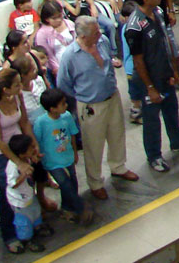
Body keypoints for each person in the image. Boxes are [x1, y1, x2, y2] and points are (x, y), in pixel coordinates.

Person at [55, 16, 137, 201]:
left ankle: (118, 166)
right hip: (90, 105)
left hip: (112, 97)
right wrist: (83, 96)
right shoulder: (70, 56)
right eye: (95, 32)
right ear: (83, 36)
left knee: (117, 134)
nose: (100, 34)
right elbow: (63, 83)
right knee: (93, 145)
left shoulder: (103, 42)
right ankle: (95, 183)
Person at [125, 0, 179, 173]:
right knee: (151, 120)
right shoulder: (134, 27)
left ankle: (178, 141)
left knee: (171, 109)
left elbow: (166, 43)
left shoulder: (157, 13)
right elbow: (138, 60)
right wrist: (150, 87)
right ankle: (154, 156)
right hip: (149, 80)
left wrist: (174, 70)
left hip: (165, 74)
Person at [0, 68, 39, 254]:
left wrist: (32, 146)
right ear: (5, 89)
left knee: (27, 186)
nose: (20, 87)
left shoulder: (17, 97)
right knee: (9, 195)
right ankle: (9, 235)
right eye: (16, 85)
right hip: (2, 155)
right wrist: (18, 162)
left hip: (19, 147)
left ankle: (29, 224)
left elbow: (24, 122)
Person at [32, 89, 91, 225]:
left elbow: (72, 135)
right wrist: (39, 157)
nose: (66, 105)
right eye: (63, 104)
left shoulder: (67, 117)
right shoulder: (41, 123)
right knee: (65, 183)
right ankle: (80, 207)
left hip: (67, 157)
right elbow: (37, 141)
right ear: (52, 109)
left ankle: (67, 209)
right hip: (52, 161)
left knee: (72, 182)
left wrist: (75, 153)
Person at [3, 134, 49, 252]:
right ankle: (27, 240)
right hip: (20, 201)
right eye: (30, 148)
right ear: (21, 154)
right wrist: (23, 175)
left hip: (29, 195)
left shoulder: (26, 159)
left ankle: (38, 227)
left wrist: (35, 158)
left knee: (35, 212)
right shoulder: (13, 167)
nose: (33, 149)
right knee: (24, 221)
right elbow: (12, 184)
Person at [34, 2, 75, 79]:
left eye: (60, 16)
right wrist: (57, 69)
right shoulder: (42, 34)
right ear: (47, 19)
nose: (59, 20)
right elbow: (47, 56)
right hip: (59, 68)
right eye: (54, 18)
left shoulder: (70, 24)